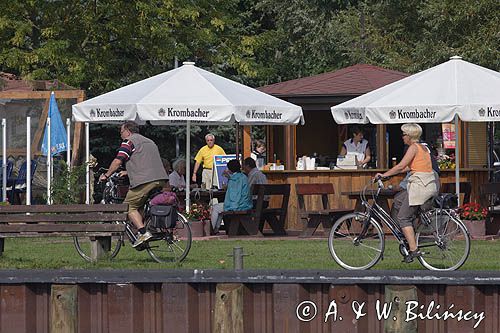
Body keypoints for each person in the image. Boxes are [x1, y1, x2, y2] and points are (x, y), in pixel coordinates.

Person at [375, 123, 439, 263]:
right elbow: (409, 168)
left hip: (419, 186)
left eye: (403, 134)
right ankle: (407, 234)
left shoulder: (413, 148)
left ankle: (413, 249)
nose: (402, 137)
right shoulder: (424, 147)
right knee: (398, 201)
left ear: (409, 136)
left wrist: (383, 175)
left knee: (403, 217)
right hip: (427, 185)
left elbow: (400, 166)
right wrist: (390, 175)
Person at [99, 121, 168, 247]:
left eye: (121, 132)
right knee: (139, 206)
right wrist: (127, 171)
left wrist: (106, 175)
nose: (121, 135)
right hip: (160, 178)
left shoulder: (129, 142)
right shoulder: (150, 142)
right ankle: (145, 230)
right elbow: (145, 161)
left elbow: (118, 161)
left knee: (128, 207)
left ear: (128, 131)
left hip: (144, 181)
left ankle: (143, 233)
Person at [210, 159, 253, 234]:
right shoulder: (243, 176)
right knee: (219, 208)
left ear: (230, 169)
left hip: (239, 205)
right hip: (246, 204)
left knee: (216, 208)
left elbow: (234, 196)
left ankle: (212, 229)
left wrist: (231, 208)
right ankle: (215, 230)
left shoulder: (234, 179)